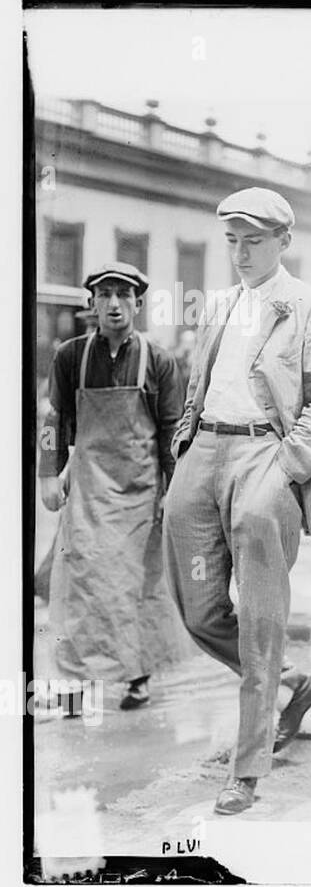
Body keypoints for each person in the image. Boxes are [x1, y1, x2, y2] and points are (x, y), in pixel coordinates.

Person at [163, 187, 311, 815]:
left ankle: (248, 768)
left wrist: (286, 469)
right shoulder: (220, 304)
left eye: (254, 241)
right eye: (233, 241)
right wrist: (185, 447)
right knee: (198, 609)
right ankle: (295, 684)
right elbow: (198, 383)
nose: (241, 253)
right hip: (204, 450)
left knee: (261, 619)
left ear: (284, 242)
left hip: (266, 452)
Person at [40, 262, 186, 714]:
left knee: (132, 586)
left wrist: (172, 489)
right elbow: (54, 420)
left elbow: (172, 430)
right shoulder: (71, 357)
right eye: (105, 295)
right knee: (81, 582)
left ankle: (137, 676)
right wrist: (48, 475)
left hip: (140, 491)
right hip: (88, 489)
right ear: (94, 303)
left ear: (138, 303)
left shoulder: (158, 360)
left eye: (123, 295)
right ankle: (77, 682)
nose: (114, 304)